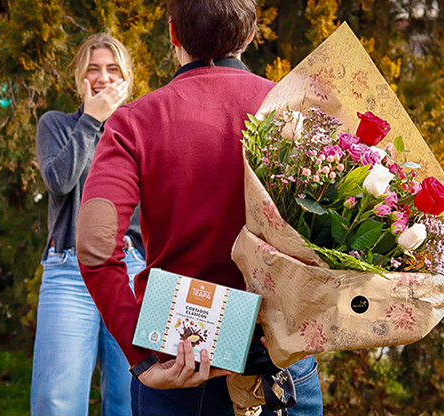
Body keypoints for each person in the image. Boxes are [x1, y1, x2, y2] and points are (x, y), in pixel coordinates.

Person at [76, 1, 322, 415]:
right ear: (250, 34)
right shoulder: (294, 111)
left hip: (181, 363)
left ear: (173, 34)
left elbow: (95, 249)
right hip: (281, 365)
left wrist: (141, 355)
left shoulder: (134, 122)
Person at [30, 33, 146, 416]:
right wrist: (93, 119)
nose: (102, 77)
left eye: (112, 68)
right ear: (80, 76)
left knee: (130, 398)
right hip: (68, 270)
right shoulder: (57, 126)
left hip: (128, 270)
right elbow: (60, 180)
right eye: (94, 68)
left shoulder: (139, 132)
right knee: (56, 401)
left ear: (127, 78)